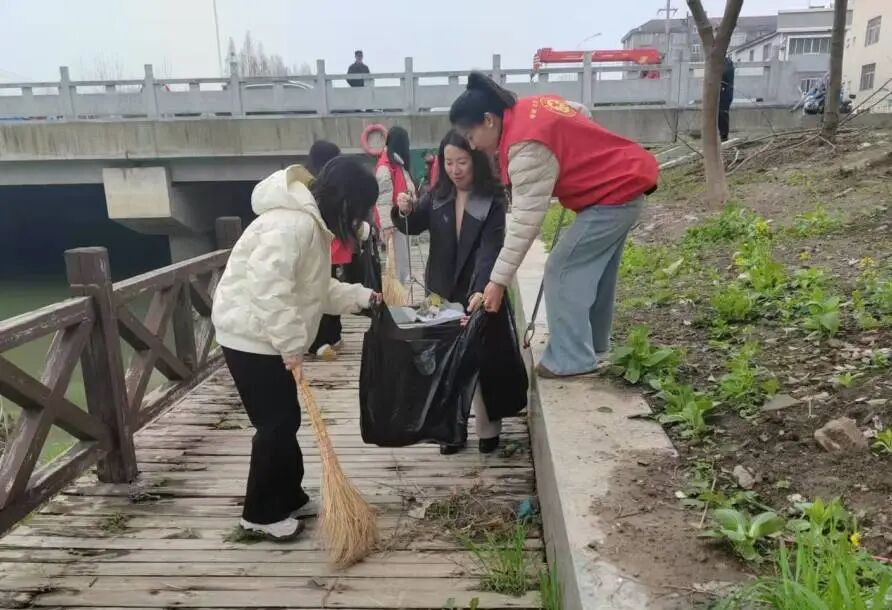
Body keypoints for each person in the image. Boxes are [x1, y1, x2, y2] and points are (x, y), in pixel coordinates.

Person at [211, 158, 380, 541]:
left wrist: (362, 297)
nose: (358, 222)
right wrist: (290, 346)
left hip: (264, 334)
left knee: (285, 419)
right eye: (358, 212)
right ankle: (260, 513)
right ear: (345, 203)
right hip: (250, 336)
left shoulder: (310, 225)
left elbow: (315, 290)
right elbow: (269, 290)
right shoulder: (293, 224)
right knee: (275, 423)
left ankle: (288, 495)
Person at [449, 72, 659, 379]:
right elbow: (580, 113)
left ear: (489, 120)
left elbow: (525, 223)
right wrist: (570, 160)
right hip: (623, 182)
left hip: (614, 195)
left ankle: (571, 358)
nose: (473, 145)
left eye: (471, 136)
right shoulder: (529, 108)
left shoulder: (525, 147)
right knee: (597, 272)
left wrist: (496, 283)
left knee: (561, 268)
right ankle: (594, 344)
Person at [394, 130, 521, 454]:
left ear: (476, 160)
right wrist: (404, 209)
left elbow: (490, 249)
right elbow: (413, 224)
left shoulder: (492, 199)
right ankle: (450, 430)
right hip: (439, 294)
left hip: (480, 294)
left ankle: (488, 430)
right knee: (445, 364)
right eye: (449, 162)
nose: (455, 169)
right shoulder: (437, 195)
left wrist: (480, 291)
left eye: (462, 161)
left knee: (482, 362)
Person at [376, 126, 416, 285]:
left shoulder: (397, 163)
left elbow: (407, 185)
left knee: (402, 261)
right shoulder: (385, 168)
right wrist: (387, 226)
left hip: (401, 219)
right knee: (395, 264)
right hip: (392, 224)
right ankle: (396, 295)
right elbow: (383, 200)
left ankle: (401, 289)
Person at [719, 56, 735, 142]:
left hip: (725, 93)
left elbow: (724, 75)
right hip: (720, 92)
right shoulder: (720, 61)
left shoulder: (727, 63)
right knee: (718, 114)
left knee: (722, 113)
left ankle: (724, 136)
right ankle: (721, 134)